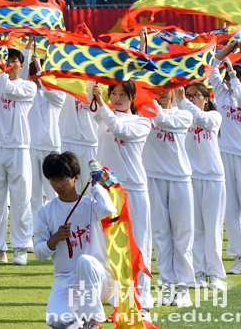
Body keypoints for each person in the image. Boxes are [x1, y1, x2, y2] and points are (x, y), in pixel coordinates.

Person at [91, 79, 153, 315]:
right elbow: (98, 111)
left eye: (122, 94)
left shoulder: (142, 122)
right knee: (110, 247)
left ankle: (142, 302)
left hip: (133, 190)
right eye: (113, 93)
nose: (117, 98)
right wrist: (95, 91)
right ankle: (120, 302)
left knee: (137, 246)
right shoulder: (104, 116)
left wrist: (102, 105)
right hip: (108, 190)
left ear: (133, 97)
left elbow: (120, 130)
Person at [35, 152, 116, 329]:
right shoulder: (45, 211)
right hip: (67, 281)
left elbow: (108, 209)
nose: (57, 185)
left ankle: (91, 321)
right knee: (57, 320)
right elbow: (39, 253)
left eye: (62, 179)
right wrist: (55, 238)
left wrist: (96, 186)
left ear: (76, 178)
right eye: (52, 180)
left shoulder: (90, 204)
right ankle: (78, 324)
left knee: (85, 261)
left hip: (99, 279)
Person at [0, 46, 37, 266]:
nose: (10, 63)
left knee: (21, 198)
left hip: (18, 147)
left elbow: (10, 91)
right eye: (7, 60)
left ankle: (21, 247)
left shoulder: (28, 87)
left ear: (21, 65)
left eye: (14, 61)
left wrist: (1, 69)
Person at [141, 90, 195, 307]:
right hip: (153, 176)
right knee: (161, 236)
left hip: (180, 178)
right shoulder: (144, 113)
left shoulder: (184, 115)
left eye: (166, 88)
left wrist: (148, 100)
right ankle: (166, 286)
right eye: (156, 89)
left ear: (175, 91)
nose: (161, 93)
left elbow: (163, 120)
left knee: (182, 234)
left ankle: (183, 288)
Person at [210, 41, 241, 276]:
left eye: (233, 79)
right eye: (227, 80)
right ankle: (238, 257)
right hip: (225, 154)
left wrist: (231, 72)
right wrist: (228, 50)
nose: (228, 83)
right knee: (230, 209)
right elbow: (212, 68)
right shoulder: (222, 93)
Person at [177, 84, 227, 290]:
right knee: (195, 229)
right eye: (188, 95)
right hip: (190, 177)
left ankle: (215, 273)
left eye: (195, 95)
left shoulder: (214, 116)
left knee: (213, 228)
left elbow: (203, 121)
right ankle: (198, 272)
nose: (191, 99)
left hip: (214, 178)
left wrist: (184, 102)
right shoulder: (182, 117)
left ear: (206, 99)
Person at [24, 51, 65, 225]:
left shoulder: (57, 94)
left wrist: (41, 70)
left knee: (53, 191)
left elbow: (49, 92)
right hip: (32, 146)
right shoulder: (29, 94)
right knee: (34, 193)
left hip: (51, 148)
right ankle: (37, 227)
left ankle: (55, 224)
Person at [58, 82, 98, 189]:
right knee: (68, 187)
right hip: (67, 139)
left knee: (93, 188)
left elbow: (95, 107)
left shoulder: (96, 80)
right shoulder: (64, 76)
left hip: (90, 142)